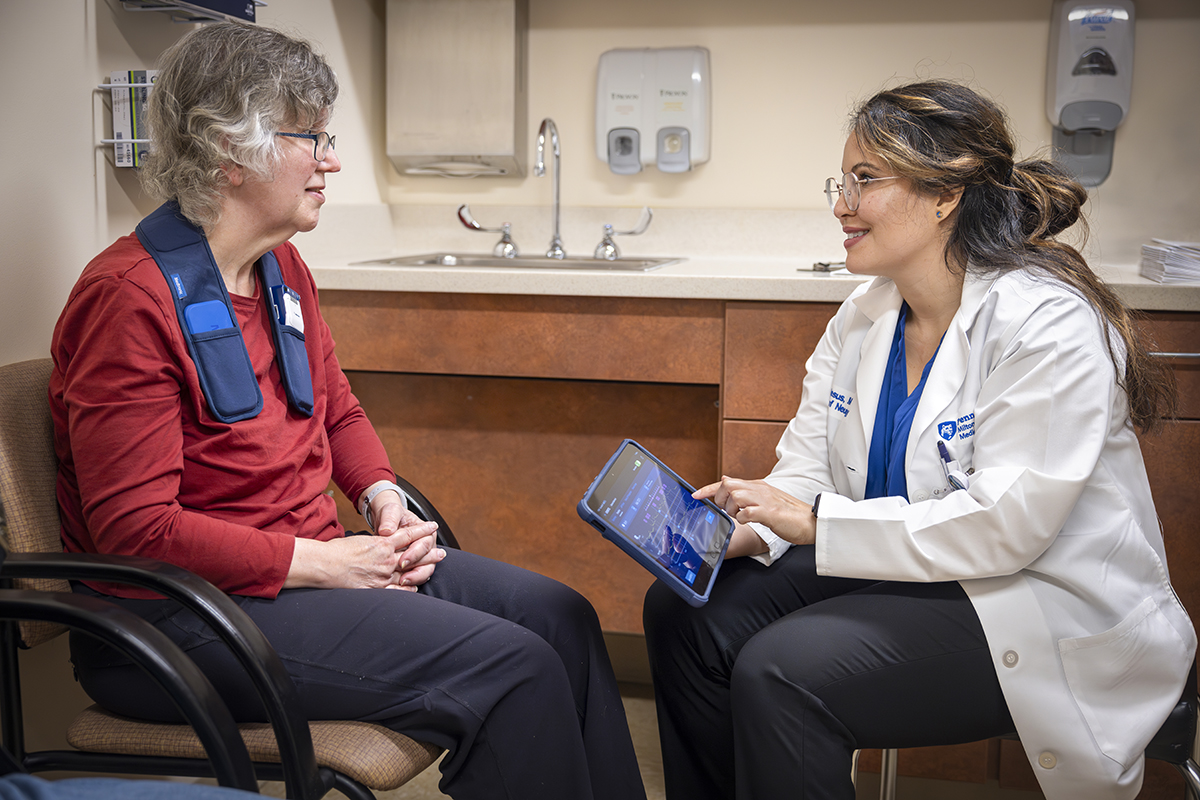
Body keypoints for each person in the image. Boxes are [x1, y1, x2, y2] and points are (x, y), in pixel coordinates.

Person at [50, 22, 645, 800]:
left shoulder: (281, 268)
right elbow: (138, 531)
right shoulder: (127, 300)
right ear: (231, 151)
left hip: (301, 572)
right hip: (180, 621)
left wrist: (382, 500)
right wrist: (329, 566)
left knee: (560, 616)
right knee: (514, 665)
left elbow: (336, 409)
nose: (332, 160)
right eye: (313, 138)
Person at [643, 80, 1196, 800]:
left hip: (1034, 598)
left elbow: (1006, 529)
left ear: (946, 195)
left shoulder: (1044, 323)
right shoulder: (865, 316)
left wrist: (812, 522)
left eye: (865, 180)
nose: (841, 204)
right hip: (909, 568)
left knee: (782, 668)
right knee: (688, 609)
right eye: (840, 182)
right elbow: (806, 470)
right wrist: (746, 533)